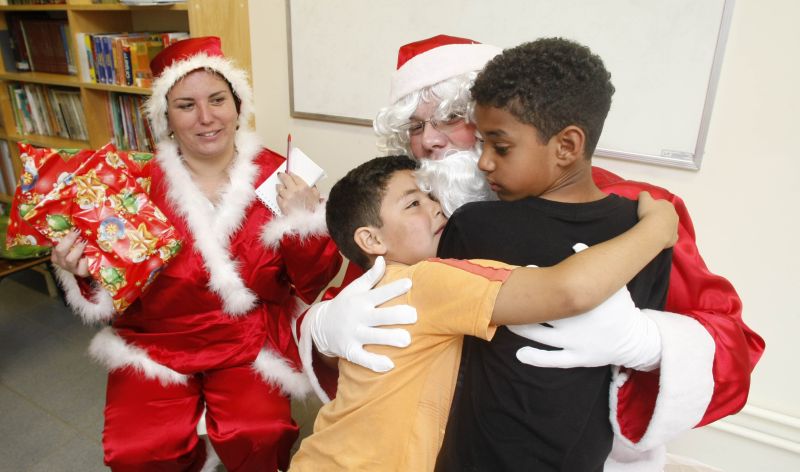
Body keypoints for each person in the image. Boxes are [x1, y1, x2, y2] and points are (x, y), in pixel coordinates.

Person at [368, 34, 765, 470]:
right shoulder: (410, 207)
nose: (430, 143)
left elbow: (734, 347)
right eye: (414, 127)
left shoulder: (646, 211)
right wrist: (329, 325)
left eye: (449, 118)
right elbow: (370, 305)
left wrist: (647, 342)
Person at [49, 37, 342, 472]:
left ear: (238, 105)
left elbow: (313, 282)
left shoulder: (280, 175)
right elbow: (112, 283)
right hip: (156, 339)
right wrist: (81, 271)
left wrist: (304, 223)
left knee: (260, 433)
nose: (206, 118)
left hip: (248, 338)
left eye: (218, 100)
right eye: (186, 105)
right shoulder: (135, 186)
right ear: (166, 117)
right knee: (140, 447)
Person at [290, 154, 678, 471]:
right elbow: (566, 288)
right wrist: (657, 228)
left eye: (429, 196)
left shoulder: (376, 284)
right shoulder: (427, 282)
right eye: (413, 204)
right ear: (371, 239)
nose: (436, 208)